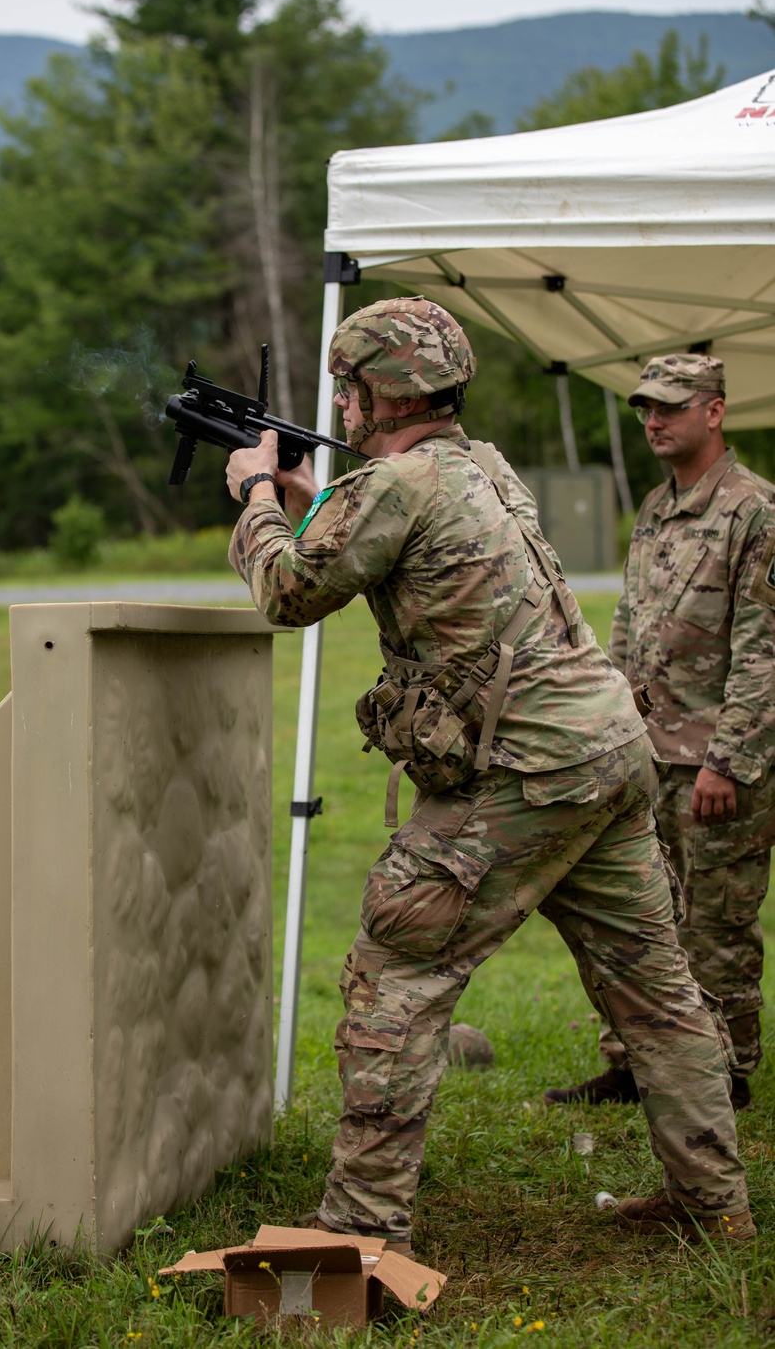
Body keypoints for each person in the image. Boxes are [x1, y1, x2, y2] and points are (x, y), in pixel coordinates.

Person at [224, 298, 753, 1247]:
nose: (340, 403)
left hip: (526, 774)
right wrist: (310, 499)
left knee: (396, 972)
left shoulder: (393, 482)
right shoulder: (479, 464)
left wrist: (258, 495)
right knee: (657, 995)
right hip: (609, 752)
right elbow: (388, 542)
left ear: (377, 391)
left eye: (348, 386)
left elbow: (288, 589)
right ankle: (714, 1205)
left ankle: (359, 1234)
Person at [544, 354, 775, 1113]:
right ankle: (634, 1065)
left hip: (716, 764)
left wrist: (731, 762)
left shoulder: (754, 511)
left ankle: (727, 1076)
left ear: (714, 411)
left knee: (715, 925)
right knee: (643, 921)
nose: (653, 420)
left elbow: (764, 651)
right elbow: (630, 626)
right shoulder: (654, 507)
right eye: (646, 407)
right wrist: (610, 725)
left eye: (672, 407)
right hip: (648, 756)